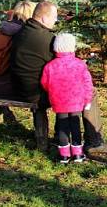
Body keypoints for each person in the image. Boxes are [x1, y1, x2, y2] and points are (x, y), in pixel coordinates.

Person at [8, 1, 107, 154]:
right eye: (54, 18)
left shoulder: (22, 32)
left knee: (61, 88)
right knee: (89, 92)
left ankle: (61, 135)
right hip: (34, 93)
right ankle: (94, 141)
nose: (55, 21)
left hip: (18, 88)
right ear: (44, 18)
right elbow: (64, 69)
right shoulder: (47, 39)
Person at [0, 0, 37, 123]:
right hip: (10, 89)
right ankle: (40, 130)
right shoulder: (25, 35)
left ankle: (4, 113)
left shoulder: (1, 30)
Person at [40, 33, 94, 164]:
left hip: (59, 102)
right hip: (76, 102)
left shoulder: (50, 66)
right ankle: (77, 154)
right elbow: (88, 83)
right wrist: (87, 99)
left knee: (62, 126)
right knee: (75, 126)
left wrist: (53, 92)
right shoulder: (80, 64)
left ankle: (64, 155)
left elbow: (44, 83)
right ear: (73, 47)